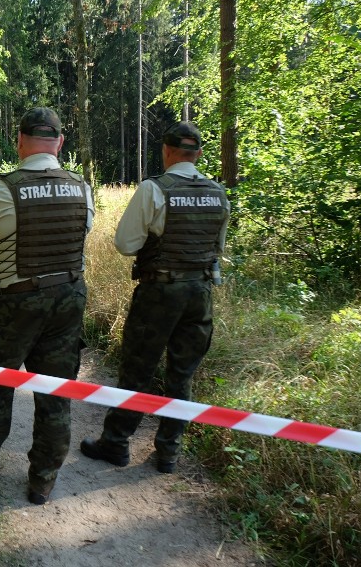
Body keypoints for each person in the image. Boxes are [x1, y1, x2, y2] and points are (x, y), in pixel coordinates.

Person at [0, 107, 95, 505]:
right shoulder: (81, 187)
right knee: (56, 391)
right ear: (60, 142)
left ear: (20, 141)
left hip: (16, 302)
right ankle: (43, 479)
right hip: (69, 299)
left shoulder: (0, 188)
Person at [80, 121, 229, 473]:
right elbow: (217, 248)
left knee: (137, 369)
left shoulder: (154, 189)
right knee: (182, 374)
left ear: (165, 151)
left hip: (160, 292)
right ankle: (169, 452)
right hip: (201, 293)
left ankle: (116, 443)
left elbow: (125, 244)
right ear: (200, 154)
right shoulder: (217, 192)